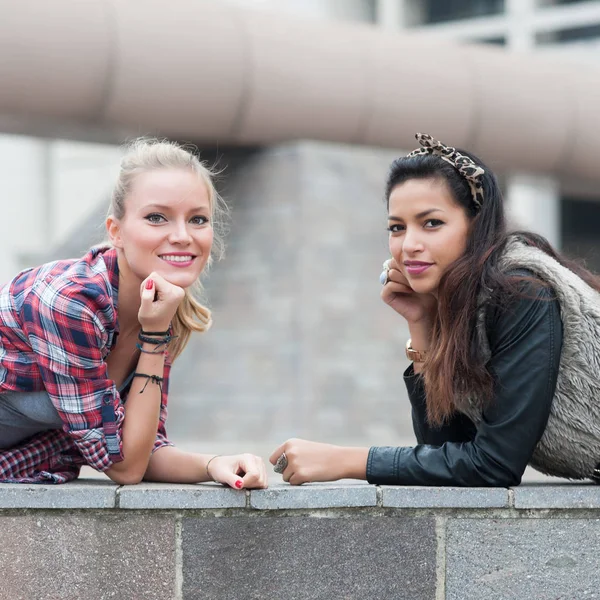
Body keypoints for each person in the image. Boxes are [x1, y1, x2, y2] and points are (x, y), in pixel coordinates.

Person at [270, 132, 600, 487]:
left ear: (476, 226)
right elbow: (446, 448)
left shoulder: (521, 292)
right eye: (397, 227)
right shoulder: (465, 301)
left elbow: (494, 464)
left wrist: (347, 461)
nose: (409, 245)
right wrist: (422, 324)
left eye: (431, 223)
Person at [0, 138, 268, 488]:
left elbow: (141, 446)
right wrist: (154, 338)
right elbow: (124, 467)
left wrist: (216, 464)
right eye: (157, 217)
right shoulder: (68, 303)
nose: (183, 236)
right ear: (117, 231)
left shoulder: (161, 303)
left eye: (198, 219)